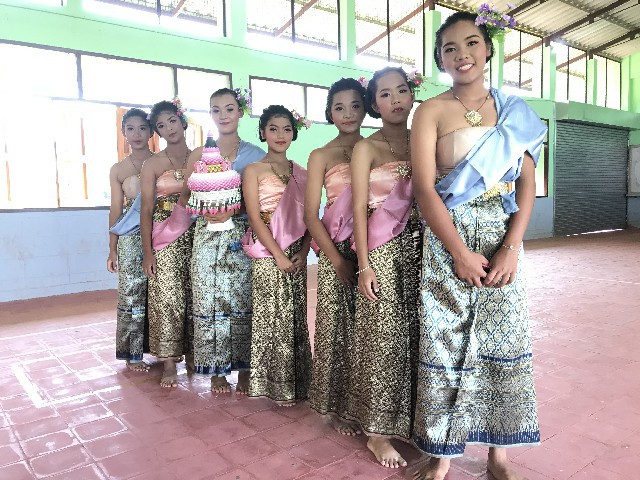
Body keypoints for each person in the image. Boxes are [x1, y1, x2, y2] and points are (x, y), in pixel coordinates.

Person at [409, 11, 546, 480]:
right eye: (449, 48)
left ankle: (498, 455)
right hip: (448, 239)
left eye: (471, 43)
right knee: (443, 343)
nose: (462, 54)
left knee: (503, 340)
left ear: (488, 49)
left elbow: (527, 182)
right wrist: (459, 253)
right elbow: (424, 189)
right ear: (440, 59)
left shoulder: (514, 112)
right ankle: (442, 454)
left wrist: (511, 247)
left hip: (501, 234)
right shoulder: (430, 111)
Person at [348, 67, 422, 468]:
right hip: (382, 251)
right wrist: (364, 265)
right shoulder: (367, 148)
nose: (395, 99)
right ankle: (377, 433)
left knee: (420, 337)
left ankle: (411, 421)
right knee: (382, 338)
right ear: (374, 104)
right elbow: (359, 209)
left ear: (412, 94)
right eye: (384, 94)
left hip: (424, 247)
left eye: (401, 90)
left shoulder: (424, 138)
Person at [177, 87, 265, 394]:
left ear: (240, 112)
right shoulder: (198, 155)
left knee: (242, 300)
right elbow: (185, 198)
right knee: (209, 301)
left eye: (229, 109)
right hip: (206, 237)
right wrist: (205, 211)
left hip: (241, 236)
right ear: (210, 114)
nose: (223, 115)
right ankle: (217, 371)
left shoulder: (256, 155)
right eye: (216, 110)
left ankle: (244, 369)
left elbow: (263, 200)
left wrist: (234, 209)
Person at [305, 78, 366, 435]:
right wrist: (337, 261)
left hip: (376, 246)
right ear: (329, 113)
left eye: (355, 105)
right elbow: (311, 216)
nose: (348, 114)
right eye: (339, 108)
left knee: (370, 328)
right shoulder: (321, 155)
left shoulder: (377, 147)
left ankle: (368, 402)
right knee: (336, 328)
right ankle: (337, 405)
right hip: (337, 251)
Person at [242, 105, 312, 407]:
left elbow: (311, 217)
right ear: (262, 133)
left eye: (286, 129)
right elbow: (254, 218)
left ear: (294, 133)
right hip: (267, 252)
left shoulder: (303, 173)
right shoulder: (253, 170)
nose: (280, 135)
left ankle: (300, 383)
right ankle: (275, 386)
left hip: (296, 252)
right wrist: (277, 255)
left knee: (295, 316)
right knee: (272, 318)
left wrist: (305, 250)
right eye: (273, 129)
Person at [140, 99, 195, 388]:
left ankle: (195, 353)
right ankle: (170, 362)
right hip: (164, 236)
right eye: (161, 125)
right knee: (168, 297)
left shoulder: (200, 156)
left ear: (182, 121)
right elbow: (146, 209)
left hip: (197, 232)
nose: (168, 128)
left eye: (172, 121)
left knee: (197, 296)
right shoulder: (153, 164)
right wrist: (147, 252)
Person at [107, 108, 153, 371]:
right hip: (130, 238)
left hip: (160, 235)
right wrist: (112, 249)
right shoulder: (119, 169)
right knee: (132, 294)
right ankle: (132, 354)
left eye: (142, 128)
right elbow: (116, 210)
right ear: (123, 133)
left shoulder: (162, 162)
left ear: (151, 132)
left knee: (160, 293)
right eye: (131, 129)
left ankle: (164, 347)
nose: (137, 134)